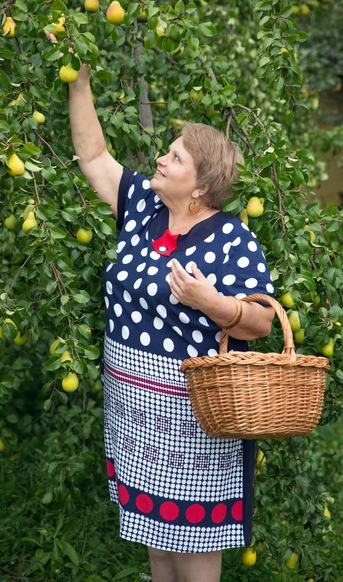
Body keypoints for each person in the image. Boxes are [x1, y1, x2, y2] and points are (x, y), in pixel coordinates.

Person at [68, 65, 276, 582]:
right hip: (134, 417)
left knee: (195, 554)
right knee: (158, 551)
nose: (160, 158)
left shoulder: (231, 239)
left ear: (201, 183)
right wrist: (79, 84)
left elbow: (263, 322)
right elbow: (94, 156)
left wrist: (215, 304)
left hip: (194, 429)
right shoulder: (143, 209)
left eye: (175, 155)